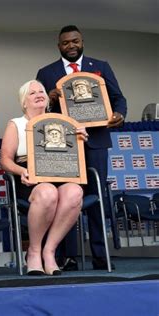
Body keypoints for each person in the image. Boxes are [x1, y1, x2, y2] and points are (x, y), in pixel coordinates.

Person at [36, 25, 127, 271]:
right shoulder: (46, 73)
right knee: (65, 200)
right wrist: (50, 100)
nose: (71, 46)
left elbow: (118, 98)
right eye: (66, 43)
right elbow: (37, 110)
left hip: (95, 141)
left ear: (82, 41)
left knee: (96, 199)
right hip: (61, 147)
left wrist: (119, 113)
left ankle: (100, 255)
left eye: (75, 41)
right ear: (59, 46)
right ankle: (67, 257)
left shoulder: (100, 67)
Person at [0, 80, 87, 275]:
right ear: (24, 102)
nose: (39, 94)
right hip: (29, 176)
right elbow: (5, 160)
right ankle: (34, 251)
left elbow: (73, 152)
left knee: (74, 192)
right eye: (32, 93)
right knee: (48, 192)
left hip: (59, 171)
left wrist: (79, 136)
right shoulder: (16, 124)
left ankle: (49, 251)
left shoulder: (63, 122)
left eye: (41, 92)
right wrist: (21, 171)